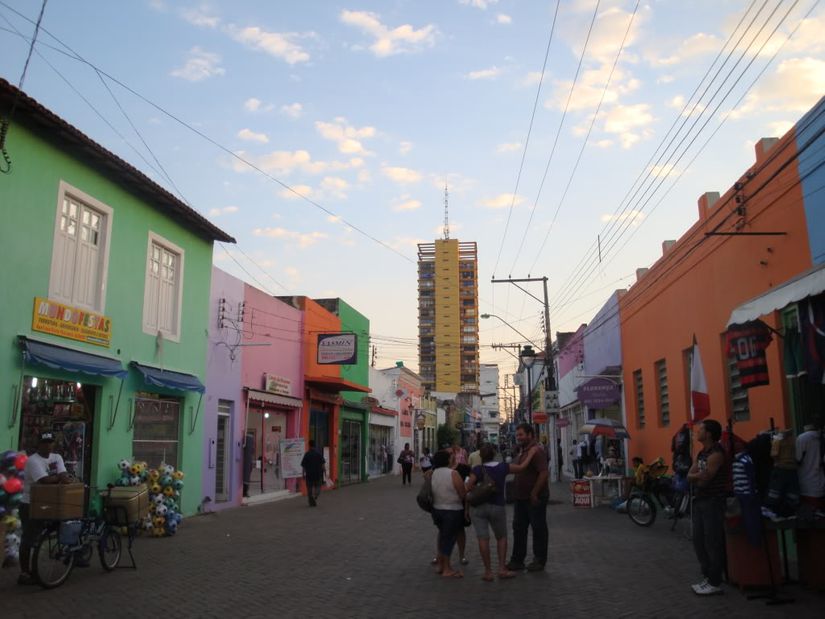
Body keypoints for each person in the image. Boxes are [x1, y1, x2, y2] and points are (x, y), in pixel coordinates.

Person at [466, 442, 538, 581]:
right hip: (497, 506)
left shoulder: (477, 469)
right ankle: (501, 569)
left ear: (481, 456)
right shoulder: (503, 467)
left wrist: (477, 490)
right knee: (501, 537)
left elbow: (468, 487)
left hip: (479, 508)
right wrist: (531, 454)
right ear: (494, 454)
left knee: (483, 538)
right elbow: (522, 468)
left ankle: (488, 572)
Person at [19, 431, 71, 586]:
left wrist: (59, 478)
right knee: (28, 539)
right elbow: (44, 480)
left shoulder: (57, 457)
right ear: (39, 445)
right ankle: (24, 573)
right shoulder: (32, 461)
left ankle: (72, 557)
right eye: (45, 443)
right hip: (30, 503)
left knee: (58, 529)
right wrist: (58, 478)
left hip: (50, 503)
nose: (48, 446)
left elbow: (65, 476)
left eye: (50, 443)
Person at [687, 419, 728, 596]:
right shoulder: (702, 453)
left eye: (701, 429)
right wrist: (697, 476)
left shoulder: (716, 454)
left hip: (713, 502)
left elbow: (705, 480)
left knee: (712, 542)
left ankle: (715, 581)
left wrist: (696, 477)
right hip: (699, 500)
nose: (698, 431)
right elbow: (690, 475)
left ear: (709, 434)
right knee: (699, 541)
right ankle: (707, 576)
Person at [507, 423, 549, 572]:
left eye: (521, 435)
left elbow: (544, 473)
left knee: (538, 529)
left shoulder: (536, 451)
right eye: (517, 435)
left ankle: (539, 560)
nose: (518, 437)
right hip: (521, 498)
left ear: (530, 434)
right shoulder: (523, 450)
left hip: (533, 498)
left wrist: (534, 492)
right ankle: (517, 560)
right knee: (519, 529)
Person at [429, 450, 467, 578]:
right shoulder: (453, 473)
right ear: (447, 460)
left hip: (437, 509)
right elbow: (462, 493)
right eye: (451, 457)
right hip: (452, 510)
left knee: (442, 537)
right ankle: (447, 568)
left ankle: (441, 565)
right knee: (449, 539)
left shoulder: (433, 473)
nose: (453, 459)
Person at [796, 423, 824, 510]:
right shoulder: (821, 438)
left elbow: (798, 458)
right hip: (820, 476)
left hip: (806, 478)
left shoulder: (801, 438)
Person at [300, 440, 325, 507]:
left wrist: (303, 474)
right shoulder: (319, 454)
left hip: (309, 475)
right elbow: (323, 464)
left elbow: (303, 465)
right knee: (318, 487)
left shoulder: (307, 454)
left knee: (309, 489)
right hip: (317, 474)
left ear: (309, 445)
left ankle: (311, 501)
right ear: (315, 446)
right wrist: (324, 472)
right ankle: (315, 496)